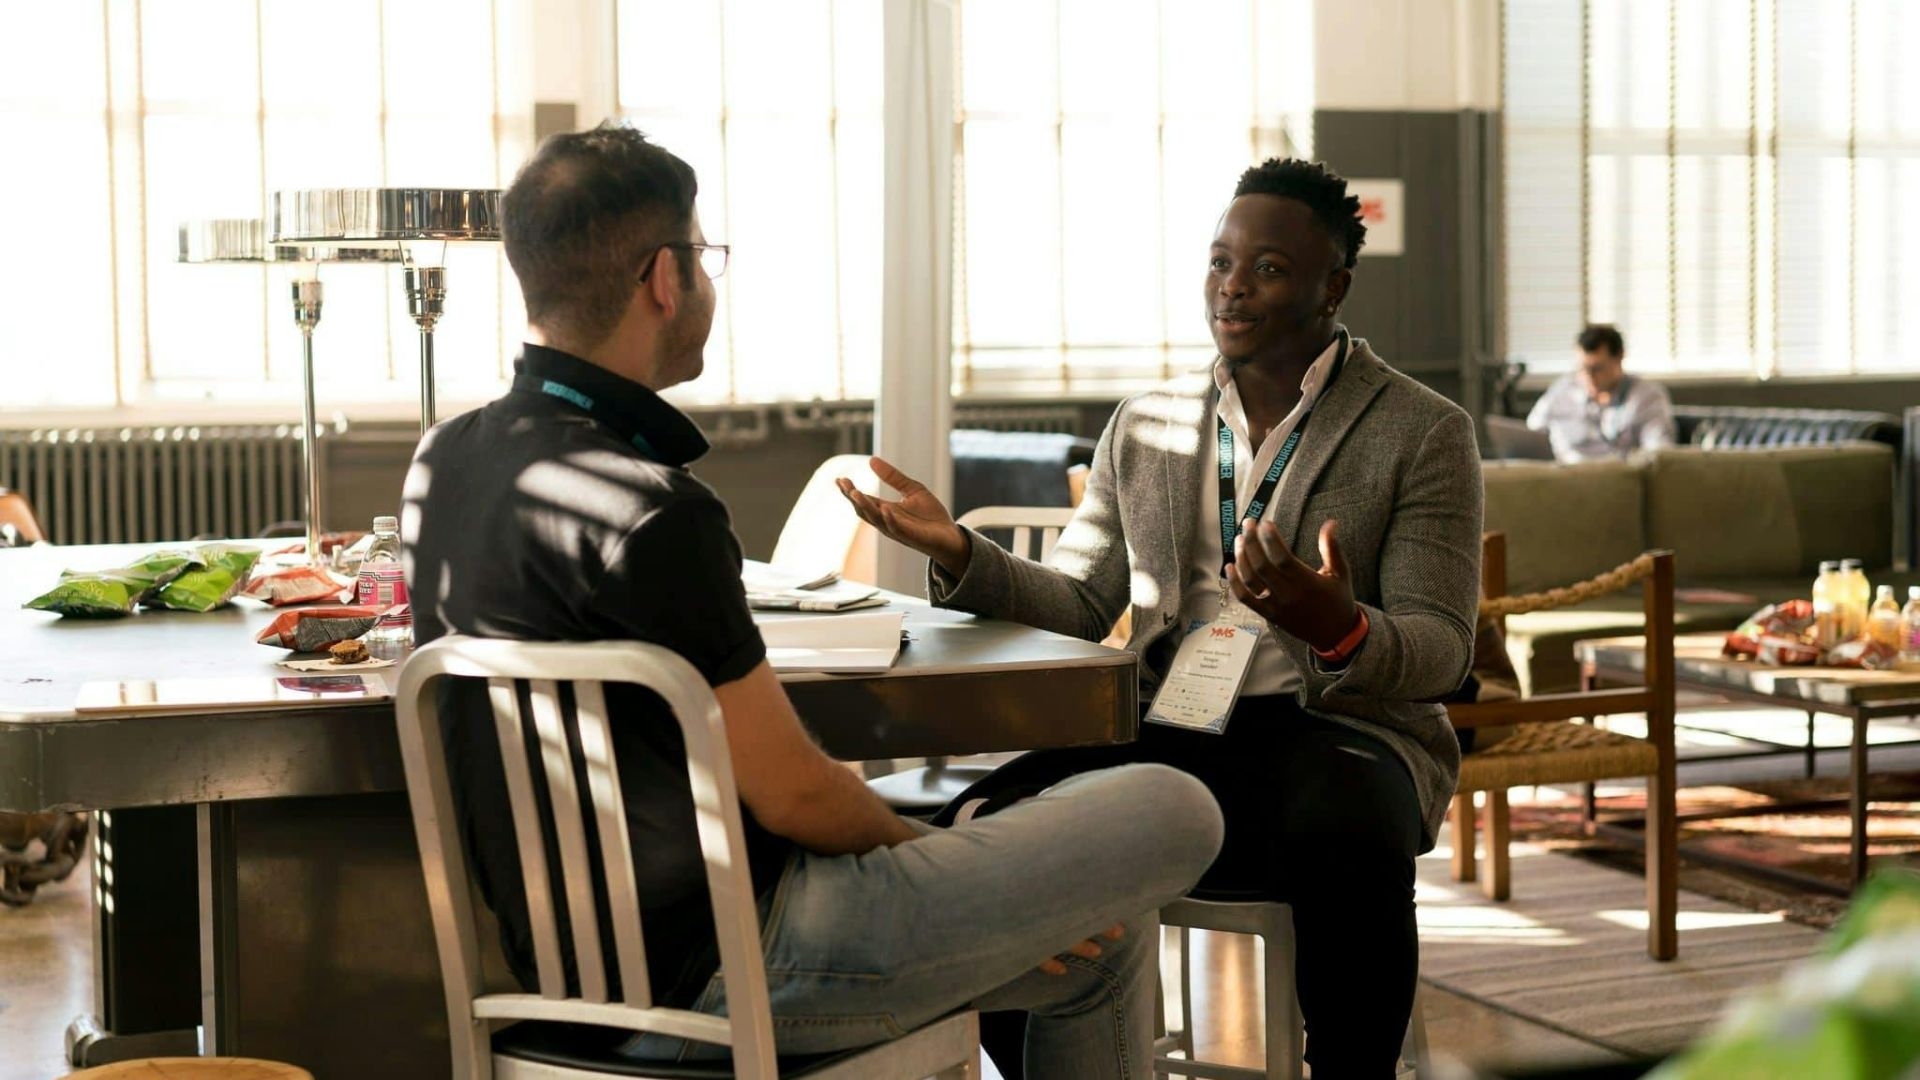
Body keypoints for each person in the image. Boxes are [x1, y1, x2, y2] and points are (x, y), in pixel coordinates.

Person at [403, 123, 1223, 1078]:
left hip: (559, 981)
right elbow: (794, 794)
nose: (707, 283)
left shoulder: (444, 462)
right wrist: (926, 851)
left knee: (1104, 937)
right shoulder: (656, 512)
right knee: (1177, 804)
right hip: (741, 968)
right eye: (704, 257)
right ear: (664, 277)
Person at [842, 158, 1483, 1078]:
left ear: (1332, 286)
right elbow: (1078, 604)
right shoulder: (1146, 421)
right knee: (994, 827)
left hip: (1336, 733)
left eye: (1267, 267)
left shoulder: (1421, 429)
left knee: (1352, 831)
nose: (1232, 287)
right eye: (1219, 262)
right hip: (1169, 724)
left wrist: (1337, 625)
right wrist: (960, 555)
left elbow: (1440, 648)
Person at [1525, 324, 1676, 462]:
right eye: (1583, 368)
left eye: (1597, 369)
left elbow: (1659, 452)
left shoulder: (1647, 396)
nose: (1589, 377)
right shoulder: (1563, 390)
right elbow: (1530, 434)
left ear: (1619, 357)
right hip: (1564, 477)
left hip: (1616, 478)